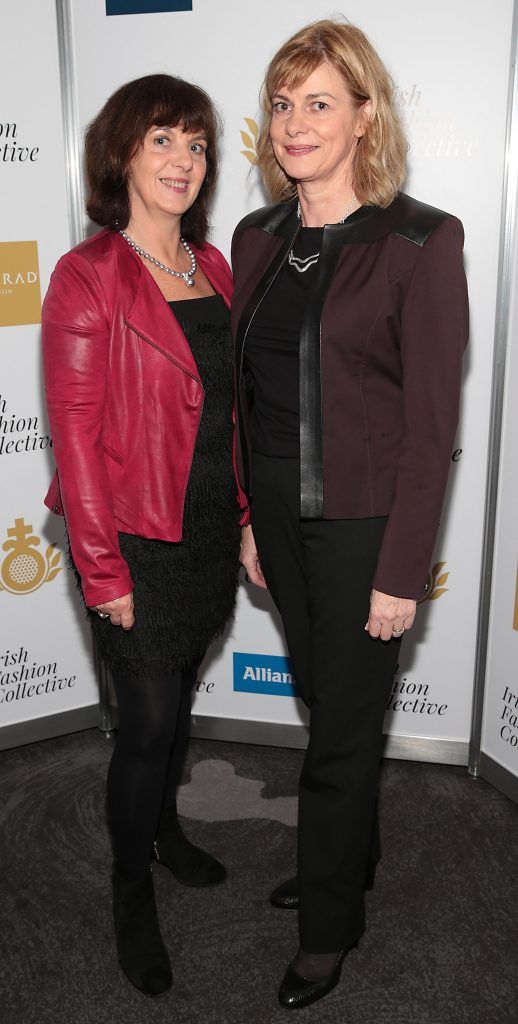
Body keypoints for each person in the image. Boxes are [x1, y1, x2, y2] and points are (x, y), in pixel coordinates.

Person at [233, 19, 468, 1011]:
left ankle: (327, 926)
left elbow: (428, 428)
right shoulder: (256, 238)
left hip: (366, 530)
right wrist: (249, 516)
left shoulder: (419, 240)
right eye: (283, 103)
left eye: (318, 101)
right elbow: (248, 398)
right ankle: (347, 860)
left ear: (363, 115)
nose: (294, 122)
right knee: (334, 710)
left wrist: (399, 570)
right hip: (280, 525)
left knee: (334, 736)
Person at [42, 74, 247, 997]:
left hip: (203, 527)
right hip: (131, 536)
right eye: (163, 140)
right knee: (148, 722)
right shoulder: (89, 275)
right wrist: (101, 568)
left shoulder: (215, 268)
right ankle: (130, 894)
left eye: (197, 145)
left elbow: (235, 413)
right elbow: (76, 436)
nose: (182, 161)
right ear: (122, 153)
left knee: (182, 705)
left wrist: (243, 519)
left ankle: (166, 833)